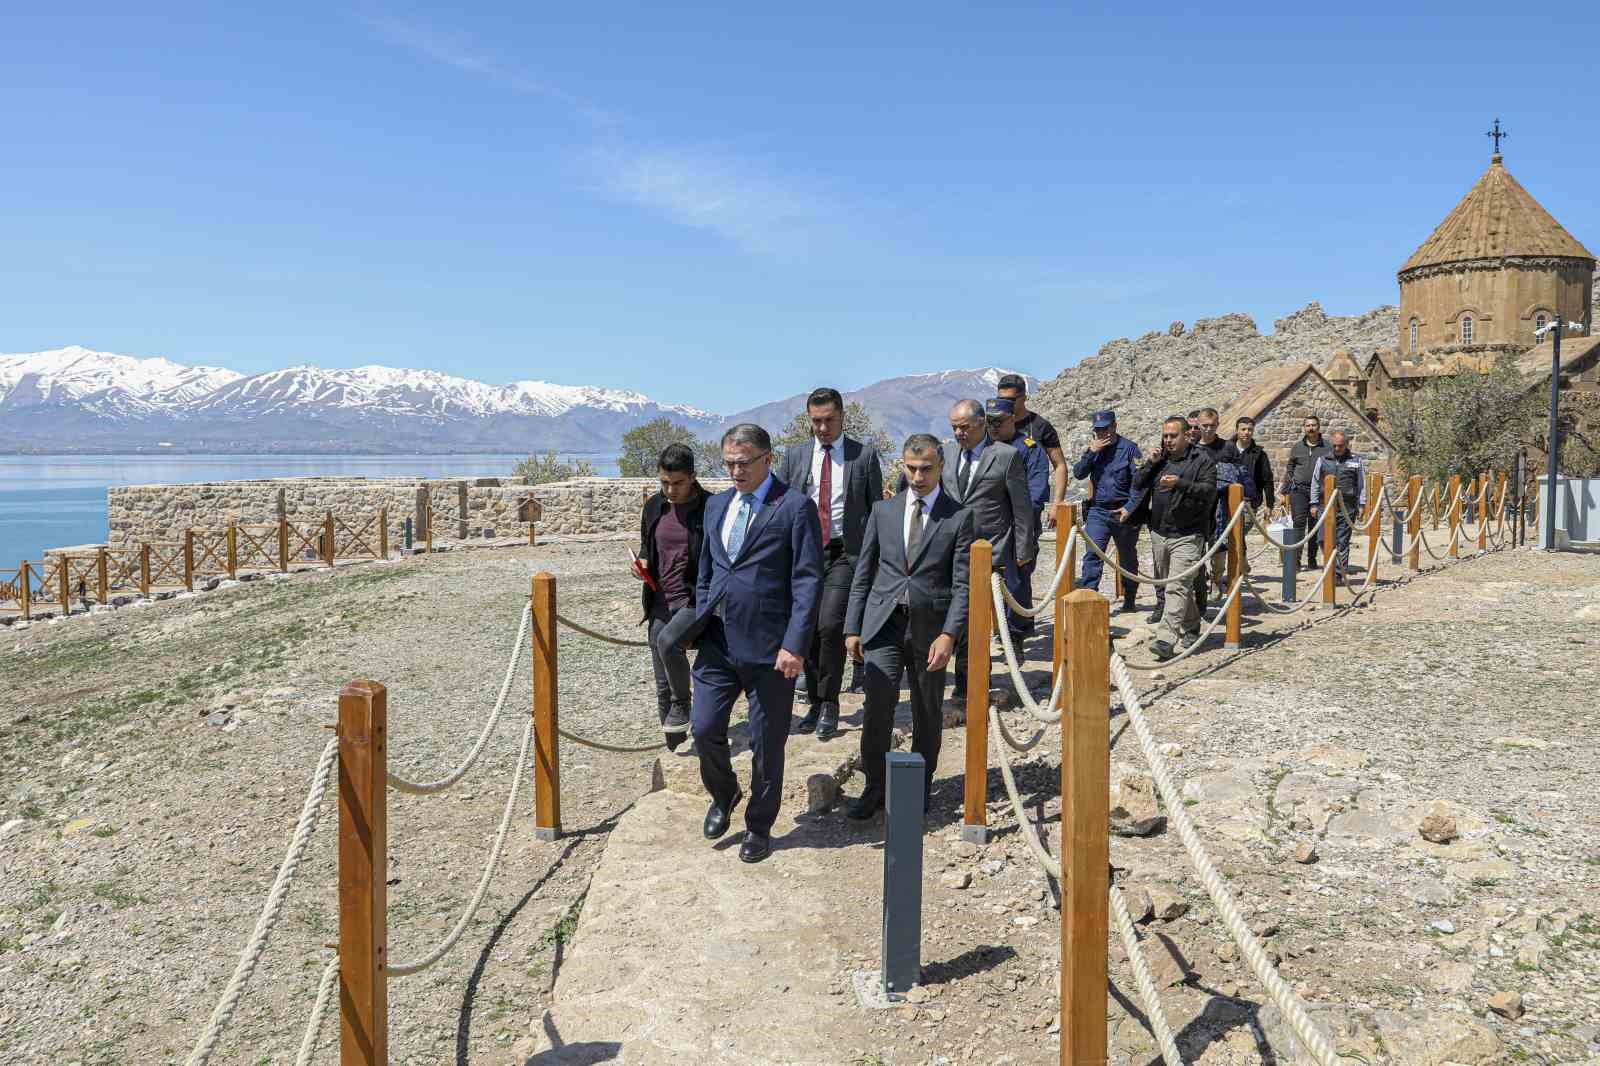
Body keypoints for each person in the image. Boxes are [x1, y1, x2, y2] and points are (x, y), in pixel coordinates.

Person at [685, 424, 822, 864]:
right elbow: (708, 565)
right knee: (704, 728)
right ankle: (724, 794)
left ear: (768, 459)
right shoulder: (717, 506)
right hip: (718, 643)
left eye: (743, 463)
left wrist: (795, 645)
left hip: (771, 651)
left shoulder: (795, 507)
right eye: (729, 463)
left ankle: (759, 826)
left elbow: (806, 581)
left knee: (767, 744)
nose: (735, 471)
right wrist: (703, 609)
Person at [843, 434, 975, 818]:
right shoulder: (883, 511)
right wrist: (853, 627)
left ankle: (920, 786)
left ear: (940, 466)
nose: (918, 477)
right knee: (878, 703)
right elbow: (864, 573)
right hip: (883, 625)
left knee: (927, 709)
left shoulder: (959, 516)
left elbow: (963, 584)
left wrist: (949, 635)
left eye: (926, 469)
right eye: (911, 468)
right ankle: (875, 787)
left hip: (930, 630)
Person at [779, 387, 884, 740]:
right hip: (803, 553)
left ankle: (830, 703)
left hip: (844, 553)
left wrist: (873, 559)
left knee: (829, 624)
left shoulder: (863, 456)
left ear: (842, 417)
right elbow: (780, 506)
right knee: (806, 625)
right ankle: (813, 700)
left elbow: (874, 512)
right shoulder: (794, 457)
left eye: (829, 420)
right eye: (816, 421)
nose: (822, 428)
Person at [939, 399, 1035, 703]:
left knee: (976, 622)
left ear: (982, 423)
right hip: (950, 553)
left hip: (990, 553)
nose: (958, 433)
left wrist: (1023, 550)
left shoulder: (1006, 456)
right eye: (954, 427)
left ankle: (972, 683)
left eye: (964, 427)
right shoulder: (947, 453)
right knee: (951, 618)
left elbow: (1021, 508)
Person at [635, 443, 709, 750]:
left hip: (696, 600)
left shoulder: (711, 507)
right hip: (660, 602)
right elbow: (646, 547)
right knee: (662, 684)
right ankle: (675, 749)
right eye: (664, 482)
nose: (670, 490)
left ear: (692, 476)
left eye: (677, 483)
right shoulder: (654, 506)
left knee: (669, 643)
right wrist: (641, 563)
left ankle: (687, 706)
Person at [1129, 415, 1217, 661]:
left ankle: (1166, 639)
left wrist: (1180, 483)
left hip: (1189, 535)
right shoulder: (1161, 460)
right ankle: (1191, 624)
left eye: (1173, 435)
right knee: (1174, 584)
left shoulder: (1202, 461)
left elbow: (1209, 492)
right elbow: (1137, 483)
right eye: (1165, 435)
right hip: (1159, 532)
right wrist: (1150, 463)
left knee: (1177, 586)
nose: (1168, 440)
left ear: (1187, 435)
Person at [985, 397, 1049, 642]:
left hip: (1019, 526)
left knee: (1017, 579)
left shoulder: (1029, 448)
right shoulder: (984, 448)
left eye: (999, 421)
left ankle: (1016, 633)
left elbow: (1036, 492)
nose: (994, 427)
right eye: (989, 422)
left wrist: (1019, 521)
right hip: (990, 526)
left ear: (1012, 418)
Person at [1071, 410, 1143, 614]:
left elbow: (1139, 483)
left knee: (1128, 556)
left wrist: (1129, 508)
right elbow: (1078, 473)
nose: (1103, 433)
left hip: (1123, 512)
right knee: (1092, 555)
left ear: (1115, 426)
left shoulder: (1130, 449)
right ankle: (1089, 598)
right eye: (1099, 430)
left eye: (1106, 428)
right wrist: (1091, 452)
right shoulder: (1094, 450)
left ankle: (1129, 598)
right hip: (1098, 511)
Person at [995, 373, 1067, 528]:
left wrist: (1057, 504)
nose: (1006, 404)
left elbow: (1059, 465)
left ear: (1024, 398)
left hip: (1028, 505)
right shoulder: (993, 426)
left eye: (1011, 400)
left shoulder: (1040, 426)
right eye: (1001, 400)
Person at [1309, 430, 1366, 580]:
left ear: (1347, 445)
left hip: (1347, 506)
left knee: (1342, 540)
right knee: (1322, 538)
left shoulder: (1356, 461)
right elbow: (1315, 482)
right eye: (1334, 446)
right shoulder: (1323, 460)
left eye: (1340, 446)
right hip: (1324, 505)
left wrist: (1362, 504)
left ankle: (1338, 574)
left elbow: (1362, 484)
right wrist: (1313, 503)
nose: (1336, 449)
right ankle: (1331, 565)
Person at [1279, 416, 1332, 570]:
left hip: (1319, 492)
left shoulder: (1327, 447)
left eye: (1313, 425)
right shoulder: (1297, 448)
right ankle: (1295, 560)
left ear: (1319, 426)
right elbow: (1290, 470)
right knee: (1299, 523)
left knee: (1315, 525)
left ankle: (1312, 559)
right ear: (1304, 428)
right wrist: (1284, 491)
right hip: (1299, 490)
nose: (1311, 428)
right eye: (1308, 425)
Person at [1224, 416, 1274, 516]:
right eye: (1243, 429)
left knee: (1242, 531)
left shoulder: (1259, 454)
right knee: (1226, 531)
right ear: (1236, 430)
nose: (1246, 432)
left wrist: (1269, 505)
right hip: (1226, 501)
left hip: (1248, 503)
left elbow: (1267, 480)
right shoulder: (1225, 451)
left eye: (1250, 429)